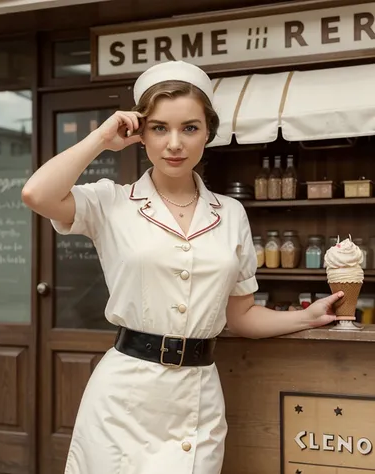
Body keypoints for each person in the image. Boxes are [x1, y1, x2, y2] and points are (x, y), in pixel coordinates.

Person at [21, 60, 343, 474]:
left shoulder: (230, 214)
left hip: (197, 399)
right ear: (139, 134)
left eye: (189, 128)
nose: (174, 143)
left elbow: (241, 316)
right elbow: (36, 193)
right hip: (123, 401)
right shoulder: (111, 202)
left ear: (208, 132)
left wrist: (305, 317)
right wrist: (101, 138)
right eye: (159, 128)